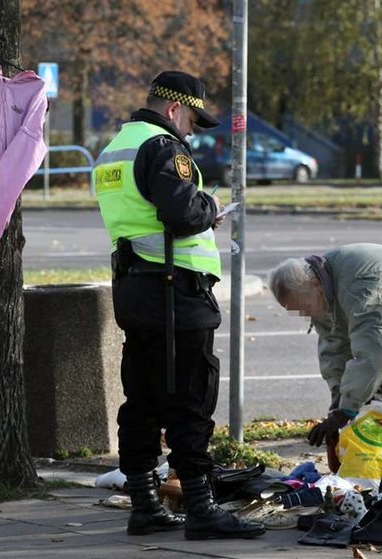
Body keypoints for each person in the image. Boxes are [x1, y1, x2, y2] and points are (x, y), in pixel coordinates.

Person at [92, 70, 264, 540]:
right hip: (175, 291)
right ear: (173, 109)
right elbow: (183, 212)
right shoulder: (164, 147)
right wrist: (211, 207)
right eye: (191, 119)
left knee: (143, 399)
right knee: (190, 398)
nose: (191, 130)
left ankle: (146, 505)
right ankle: (203, 509)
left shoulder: (113, 150)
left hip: (135, 288)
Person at [269, 243, 382, 489]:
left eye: (302, 306)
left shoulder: (361, 288)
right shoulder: (321, 287)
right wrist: (338, 407)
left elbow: (373, 350)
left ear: (313, 285)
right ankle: (376, 465)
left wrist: (346, 410)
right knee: (365, 394)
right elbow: (335, 349)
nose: (303, 313)